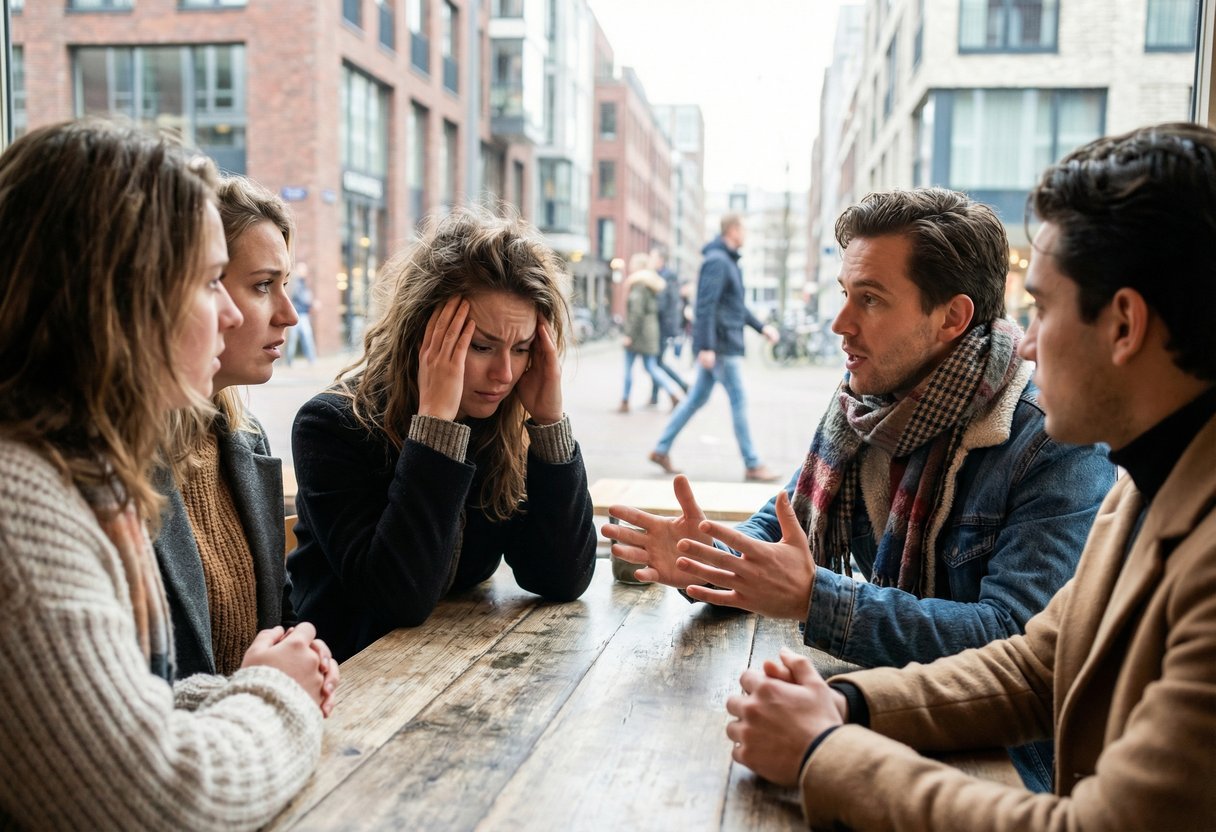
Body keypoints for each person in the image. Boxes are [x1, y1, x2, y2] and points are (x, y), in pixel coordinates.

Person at [726, 122, 1216, 830]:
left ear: (1124, 326)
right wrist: (850, 705)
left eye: (1041, 309)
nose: (1025, 339)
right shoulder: (1145, 481)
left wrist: (822, 751)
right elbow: (1035, 664)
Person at [606, 187, 1115, 791]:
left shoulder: (1051, 438)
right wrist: (710, 557)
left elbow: (1011, 643)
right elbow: (786, 524)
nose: (840, 323)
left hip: (1001, 769)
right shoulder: (867, 403)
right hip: (877, 715)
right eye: (846, 293)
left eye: (869, 300)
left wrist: (814, 599)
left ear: (952, 317)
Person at [0, 120, 335, 829]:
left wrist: (244, 688)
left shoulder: (81, 475)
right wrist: (275, 696)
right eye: (213, 280)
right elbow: (159, 796)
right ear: (120, 295)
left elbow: (120, 707)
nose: (231, 313)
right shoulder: (19, 509)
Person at [288, 207, 597, 662]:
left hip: (454, 670)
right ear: (421, 335)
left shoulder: (498, 426)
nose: (504, 373)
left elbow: (560, 578)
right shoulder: (331, 425)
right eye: (482, 346)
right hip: (348, 679)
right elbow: (399, 598)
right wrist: (435, 425)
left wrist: (549, 423)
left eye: (523, 349)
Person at [156, 175, 322, 687]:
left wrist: (303, 660)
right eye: (262, 285)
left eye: (285, 285)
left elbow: (280, 620)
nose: (290, 316)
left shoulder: (244, 440)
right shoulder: (117, 461)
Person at [648, 214, 782, 482]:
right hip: (721, 345)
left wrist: (761, 327)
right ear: (733, 230)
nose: (745, 234)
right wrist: (706, 346)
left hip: (722, 342)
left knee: (696, 398)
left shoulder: (727, 262)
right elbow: (705, 305)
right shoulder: (718, 262)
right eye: (743, 229)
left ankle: (661, 448)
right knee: (738, 399)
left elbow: (736, 306)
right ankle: (753, 463)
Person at [620, 252, 684, 413]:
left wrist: (629, 335)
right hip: (650, 332)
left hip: (639, 334)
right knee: (651, 367)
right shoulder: (652, 284)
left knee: (629, 368)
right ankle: (673, 393)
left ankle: (625, 401)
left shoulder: (639, 284)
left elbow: (636, 312)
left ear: (638, 267)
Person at [647, 246, 689, 404]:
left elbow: (663, 304)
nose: (650, 260)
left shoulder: (667, 277)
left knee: (656, 363)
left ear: (660, 260)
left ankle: (681, 386)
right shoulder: (658, 275)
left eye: (652, 257)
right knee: (656, 362)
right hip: (659, 325)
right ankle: (655, 396)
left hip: (662, 326)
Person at [286, 262, 318, 367]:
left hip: (302, 314)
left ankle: (310, 359)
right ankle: (290, 360)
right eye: (303, 270)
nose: (305, 272)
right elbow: (299, 296)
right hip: (298, 314)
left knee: (303, 338)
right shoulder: (296, 282)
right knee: (298, 338)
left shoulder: (302, 282)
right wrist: (311, 302)